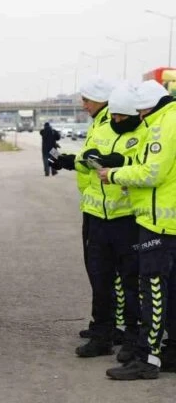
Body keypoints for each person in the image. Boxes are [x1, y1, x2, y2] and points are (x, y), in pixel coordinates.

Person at [98, 80, 176, 380]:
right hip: (168, 221)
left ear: (148, 106)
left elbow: (152, 172)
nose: (139, 117)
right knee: (171, 291)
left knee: (153, 290)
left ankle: (147, 359)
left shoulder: (162, 124)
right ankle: (170, 352)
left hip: (157, 221)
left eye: (141, 112)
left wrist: (114, 174)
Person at [65, 82, 143, 361]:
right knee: (100, 279)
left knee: (131, 283)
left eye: (122, 117)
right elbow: (88, 156)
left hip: (127, 219)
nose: (117, 121)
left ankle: (134, 339)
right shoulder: (102, 127)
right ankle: (102, 335)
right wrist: (83, 159)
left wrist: (119, 162)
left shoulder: (142, 132)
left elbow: (145, 165)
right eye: (115, 116)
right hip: (98, 217)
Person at [48, 76, 116, 341]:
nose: (83, 104)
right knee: (98, 270)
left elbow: (100, 160)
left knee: (104, 272)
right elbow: (90, 158)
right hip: (95, 206)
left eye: (87, 99)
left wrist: (74, 161)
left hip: (109, 209)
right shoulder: (100, 122)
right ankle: (105, 324)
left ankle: (108, 328)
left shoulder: (110, 123)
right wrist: (68, 161)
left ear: (101, 99)